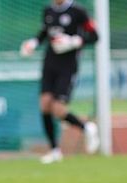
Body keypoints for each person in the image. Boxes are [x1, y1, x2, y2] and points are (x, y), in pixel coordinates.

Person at [19, 0, 100, 164]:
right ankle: (54, 150)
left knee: (58, 109)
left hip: (68, 67)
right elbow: (44, 32)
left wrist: (73, 41)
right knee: (45, 104)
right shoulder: (48, 10)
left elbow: (94, 36)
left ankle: (87, 128)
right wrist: (33, 43)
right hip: (50, 64)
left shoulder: (78, 12)